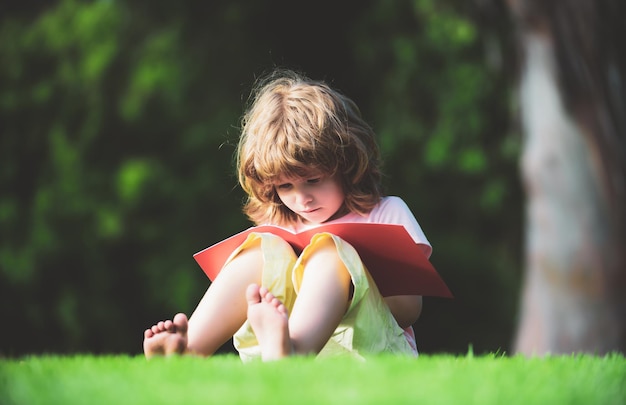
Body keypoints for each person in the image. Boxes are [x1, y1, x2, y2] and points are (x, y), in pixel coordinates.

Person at [143, 69, 433, 361]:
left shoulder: (386, 211)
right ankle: (189, 348)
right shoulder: (282, 226)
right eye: (285, 186)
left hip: (372, 353)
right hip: (293, 351)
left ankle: (293, 350)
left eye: (314, 180)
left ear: (344, 164)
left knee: (329, 249)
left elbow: (409, 310)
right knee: (261, 248)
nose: (302, 198)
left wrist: (354, 282)